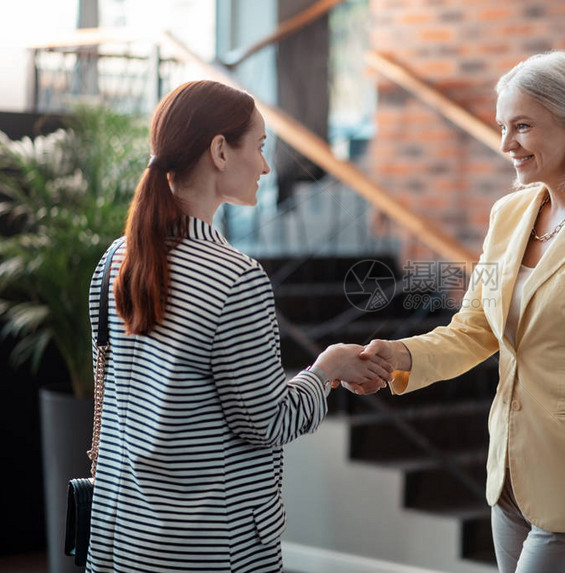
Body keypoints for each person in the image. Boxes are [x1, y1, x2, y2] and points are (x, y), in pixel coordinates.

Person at [355, 51, 565, 573]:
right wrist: (398, 355)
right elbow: (475, 328)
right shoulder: (508, 214)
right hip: (509, 482)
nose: (506, 145)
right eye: (503, 127)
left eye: (522, 126)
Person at [86, 80, 393, 572]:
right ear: (220, 152)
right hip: (209, 544)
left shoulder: (114, 261)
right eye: (261, 147)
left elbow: (117, 403)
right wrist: (326, 369)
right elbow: (266, 423)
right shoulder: (235, 279)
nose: (267, 167)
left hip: (123, 537)